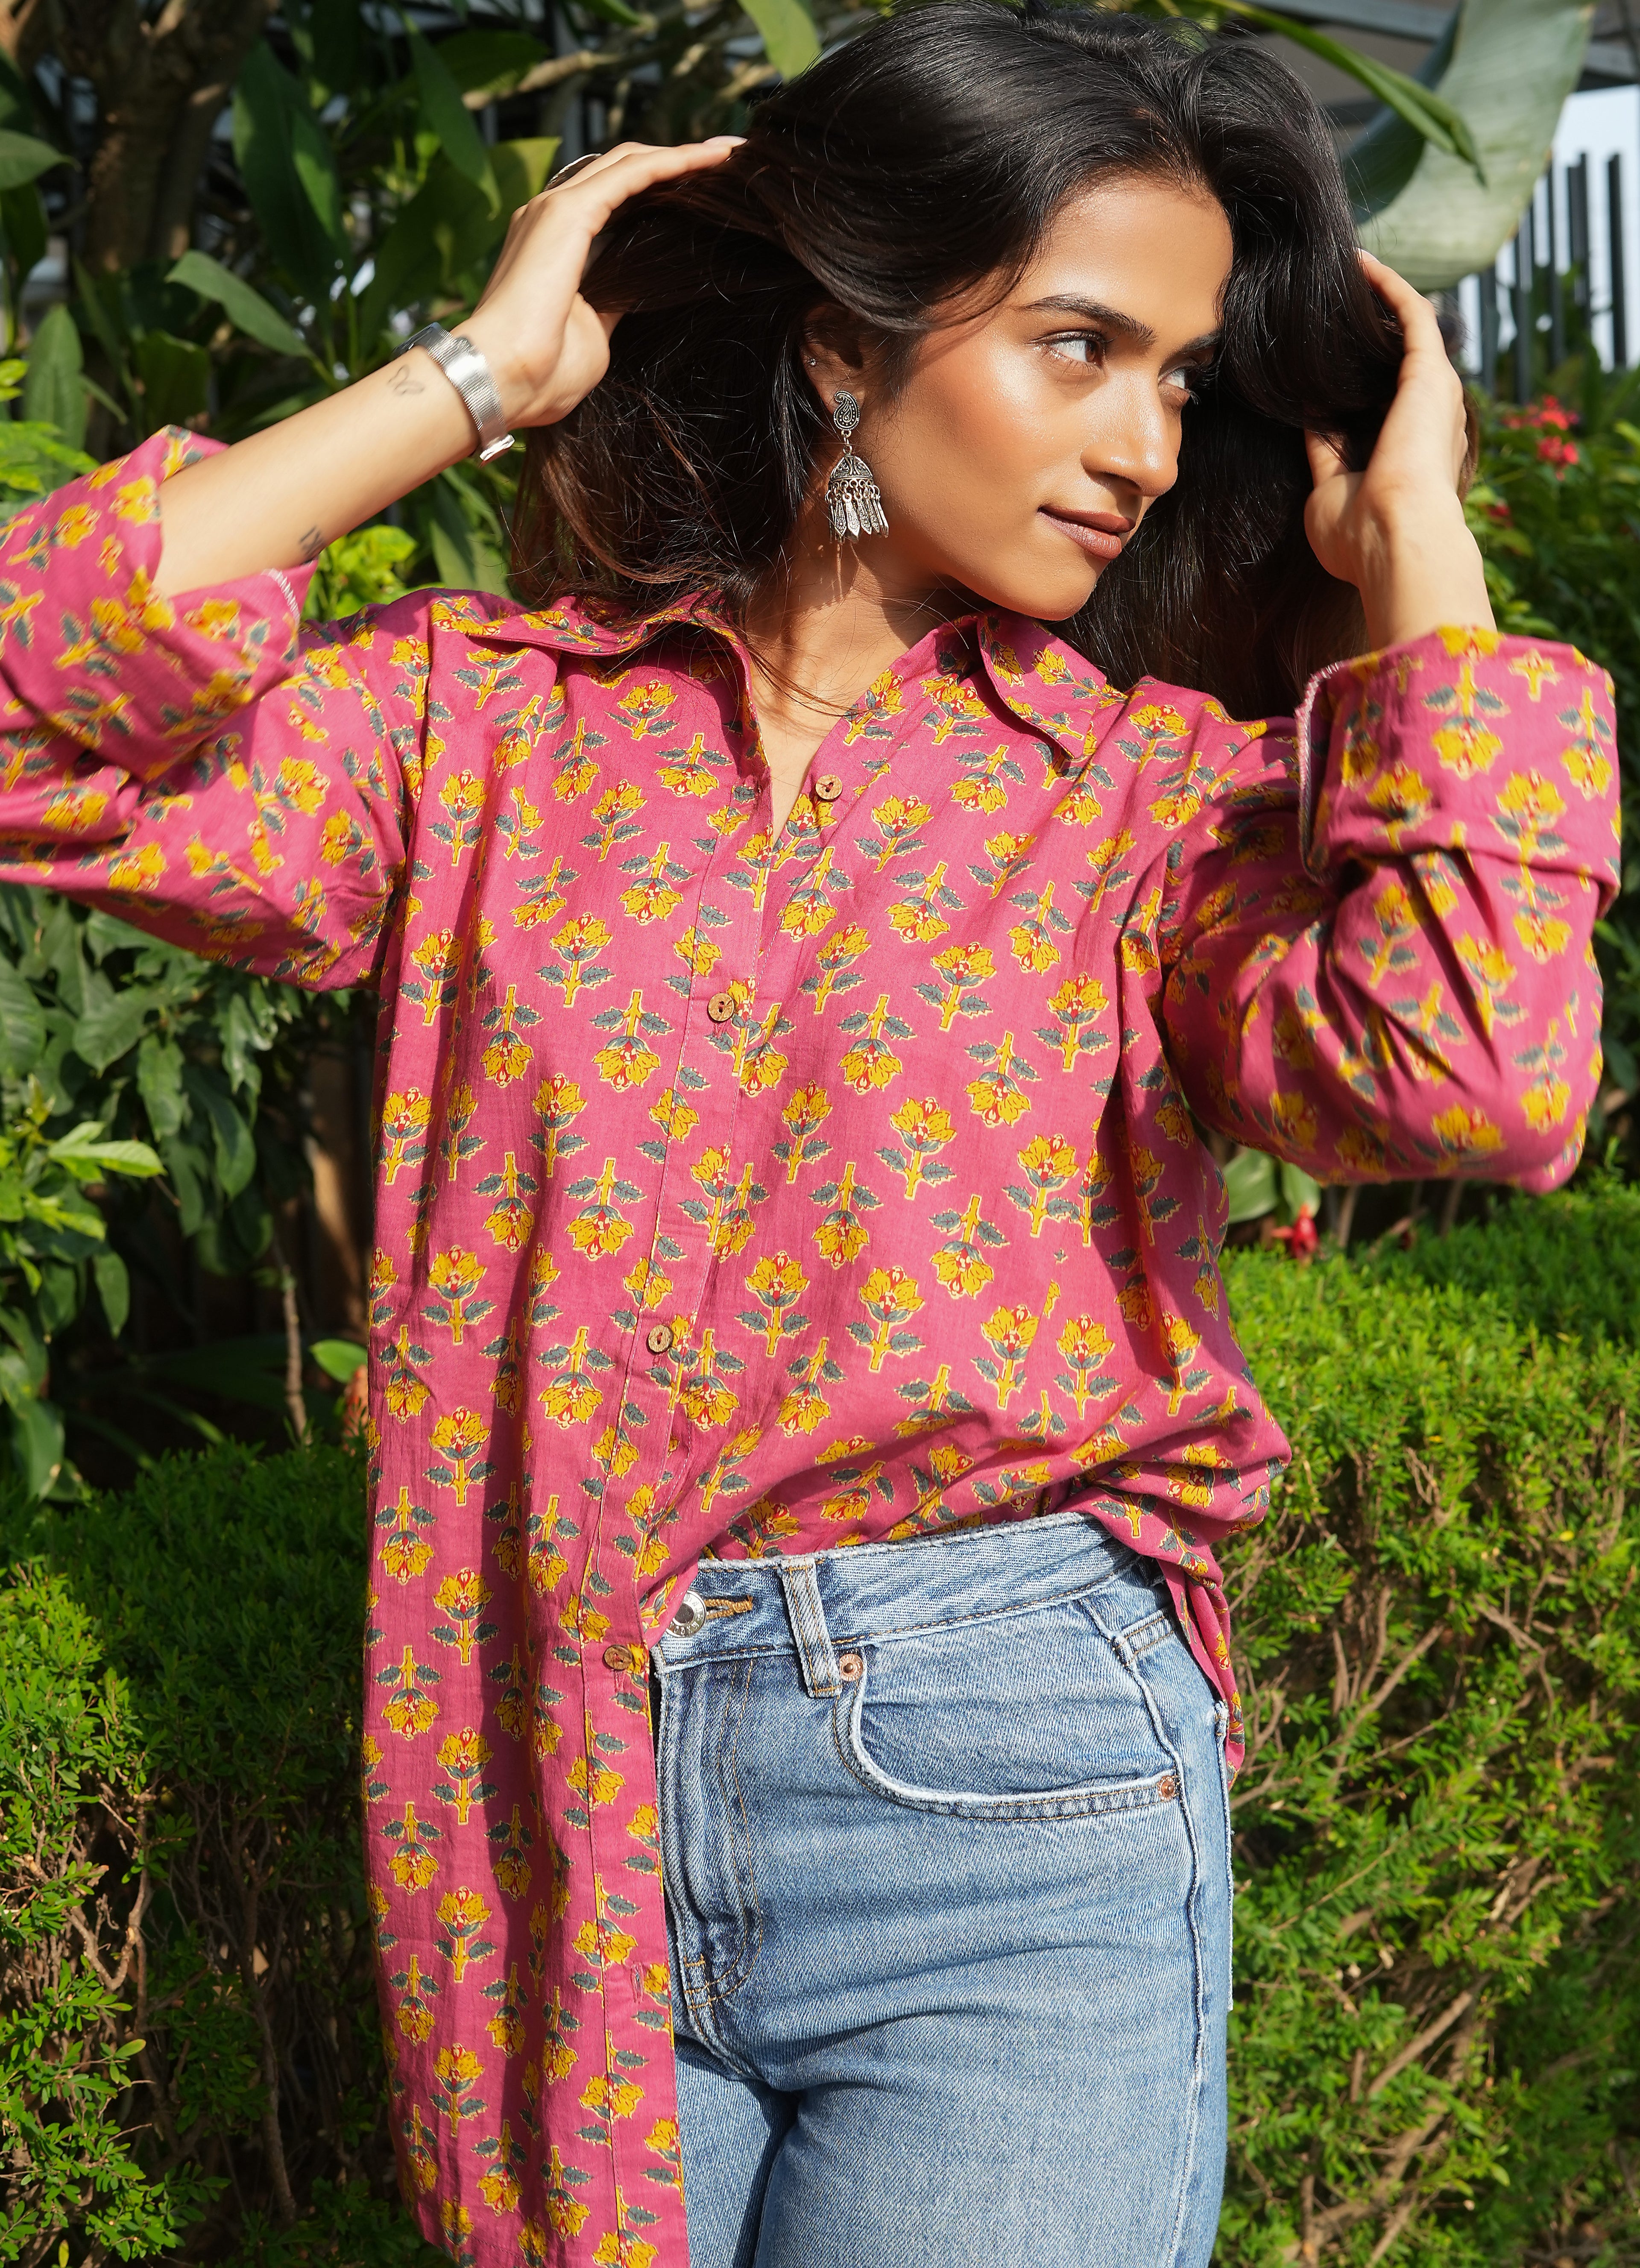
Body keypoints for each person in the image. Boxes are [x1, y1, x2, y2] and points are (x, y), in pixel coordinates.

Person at [0, 4, 1617, 2262]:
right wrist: (476, 374)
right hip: (547, 1786)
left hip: (1013, 1789)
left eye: (1178, 379)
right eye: (1081, 348)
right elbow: (33, 723)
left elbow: (1481, 1069)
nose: (1145, 444)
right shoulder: (479, 728)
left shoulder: (1150, 805)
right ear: (848, 347)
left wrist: (1417, 532)